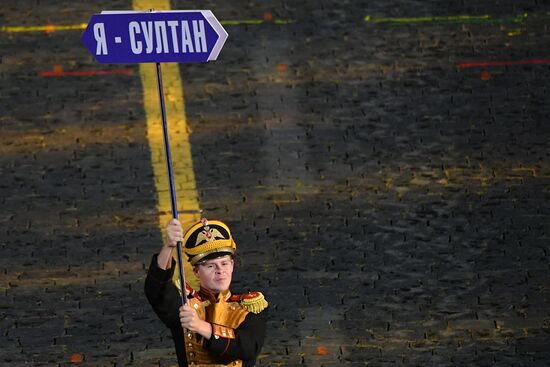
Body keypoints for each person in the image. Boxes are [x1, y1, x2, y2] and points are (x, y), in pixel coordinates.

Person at [145, 217, 268, 367]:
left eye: (224, 263)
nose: (220, 271)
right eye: (210, 266)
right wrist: (169, 246)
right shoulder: (185, 304)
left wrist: (200, 326)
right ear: (196, 272)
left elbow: (248, 347)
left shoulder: (250, 307)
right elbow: (157, 290)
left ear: (232, 265)